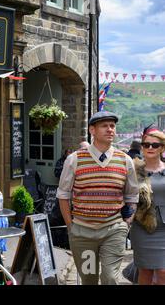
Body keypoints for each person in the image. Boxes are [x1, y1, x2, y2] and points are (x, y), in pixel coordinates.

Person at [57, 111, 139, 285]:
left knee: (110, 278)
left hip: (114, 230)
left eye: (112, 126)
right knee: (89, 279)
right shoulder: (75, 160)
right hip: (82, 233)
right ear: (92, 130)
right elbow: (63, 195)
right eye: (105, 126)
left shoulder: (125, 160)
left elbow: (132, 194)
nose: (110, 129)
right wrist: (71, 227)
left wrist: (127, 223)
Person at [130, 125, 165, 285]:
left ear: (162, 148)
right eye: (146, 145)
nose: (150, 148)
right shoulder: (133, 169)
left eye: (155, 145)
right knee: (145, 273)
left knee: (163, 273)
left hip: (164, 229)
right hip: (142, 227)